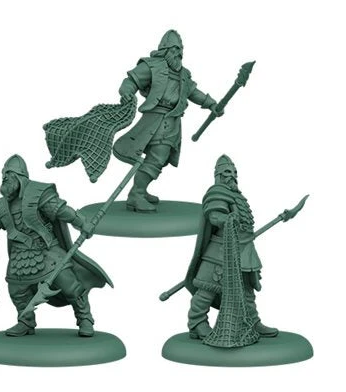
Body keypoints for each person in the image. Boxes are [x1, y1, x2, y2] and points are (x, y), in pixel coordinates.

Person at [0, 154, 111, 337]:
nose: (4, 179)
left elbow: (61, 210)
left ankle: (85, 319)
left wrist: (81, 222)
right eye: (3, 175)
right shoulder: (2, 204)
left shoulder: (38, 193)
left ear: (19, 176)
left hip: (46, 250)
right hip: (19, 255)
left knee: (70, 286)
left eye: (8, 175)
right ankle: (25, 322)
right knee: (17, 292)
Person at [113, 29, 222, 212]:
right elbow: (131, 81)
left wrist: (211, 103)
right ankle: (136, 194)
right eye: (174, 49)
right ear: (164, 49)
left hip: (173, 121)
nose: (178, 53)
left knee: (160, 159)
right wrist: (127, 92)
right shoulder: (152, 66)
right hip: (155, 119)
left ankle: (140, 191)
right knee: (157, 156)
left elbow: (193, 92)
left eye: (180, 49)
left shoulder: (183, 74)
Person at [186, 154, 278, 340]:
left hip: (245, 250)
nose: (233, 176)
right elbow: (214, 216)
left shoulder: (238, 196)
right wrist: (227, 219)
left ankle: (251, 321)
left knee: (246, 290)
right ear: (219, 175)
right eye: (228, 172)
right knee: (207, 289)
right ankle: (197, 323)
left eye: (235, 172)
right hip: (220, 251)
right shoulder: (217, 192)